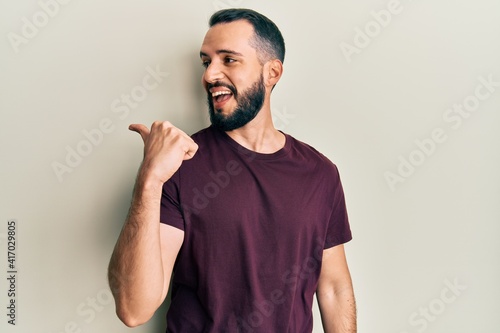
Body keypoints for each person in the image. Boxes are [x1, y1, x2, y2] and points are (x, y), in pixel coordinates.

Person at [108, 8, 356, 333]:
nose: (209, 75)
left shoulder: (320, 174)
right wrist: (150, 179)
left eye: (228, 59)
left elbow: (334, 289)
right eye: (206, 61)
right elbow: (133, 308)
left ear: (272, 72)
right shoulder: (179, 164)